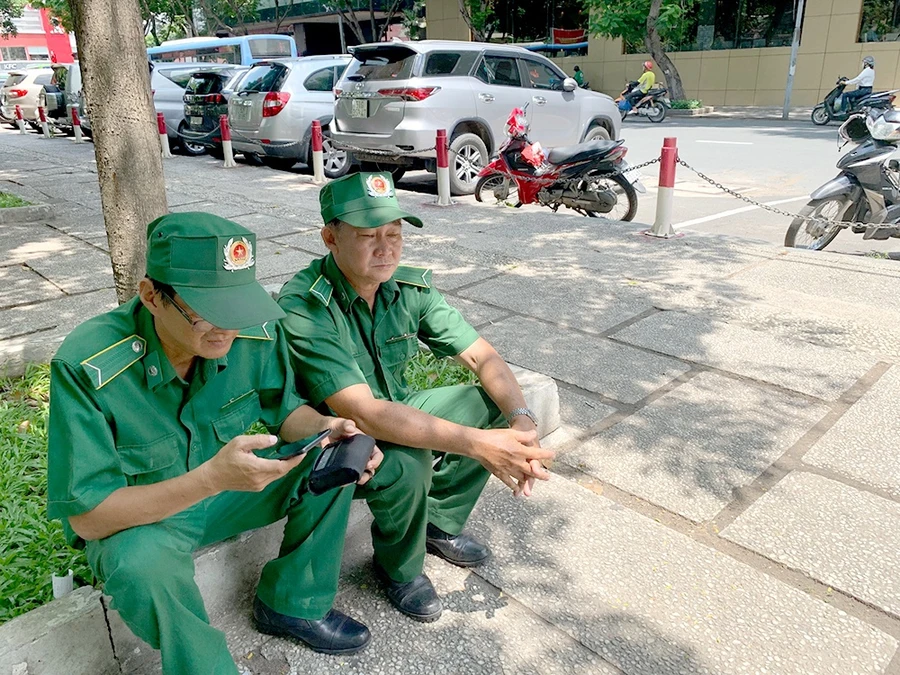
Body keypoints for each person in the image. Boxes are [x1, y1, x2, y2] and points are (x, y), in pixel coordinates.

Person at [47, 212, 383, 675]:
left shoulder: (252, 330)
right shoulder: (89, 366)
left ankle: (293, 601)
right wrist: (209, 479)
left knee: (332, 460)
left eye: (238, 307)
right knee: (142, 568)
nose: (228, 329)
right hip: (153, 519)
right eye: (209, 313)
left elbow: (284, 410)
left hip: (236, 491)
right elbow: (88, 517)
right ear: (152, 297)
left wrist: (328, 428)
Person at [277, 172, 555, 624]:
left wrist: (521, 425)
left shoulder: (407, 289)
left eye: (394, 233)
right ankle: (398, 570)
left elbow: (482, 356)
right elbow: (362, 413)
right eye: (369, 236)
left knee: (489, 405)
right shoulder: (306, 306)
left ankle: (438, 523)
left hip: (399, 414)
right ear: (330, 237)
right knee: (410, 464)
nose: (386, 248)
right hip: (339, 436)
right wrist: (478, 445)